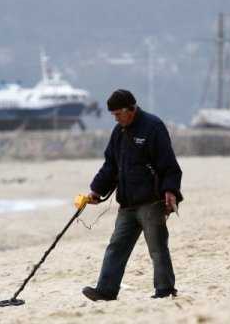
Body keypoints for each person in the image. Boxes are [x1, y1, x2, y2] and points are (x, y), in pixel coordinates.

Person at [82, 89, 183, 302]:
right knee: (116, 246)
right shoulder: (119, 132)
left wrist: (170, 190)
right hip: (127, 203)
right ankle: (106, 290)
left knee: (157, 247)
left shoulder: (153, 127)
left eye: (118, 114)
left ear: (131, 109)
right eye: (113, 115)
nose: (116, 119)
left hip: (151, 201)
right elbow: (110, 165)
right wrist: (96, 189)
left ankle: (165, 290)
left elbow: (169, 164)